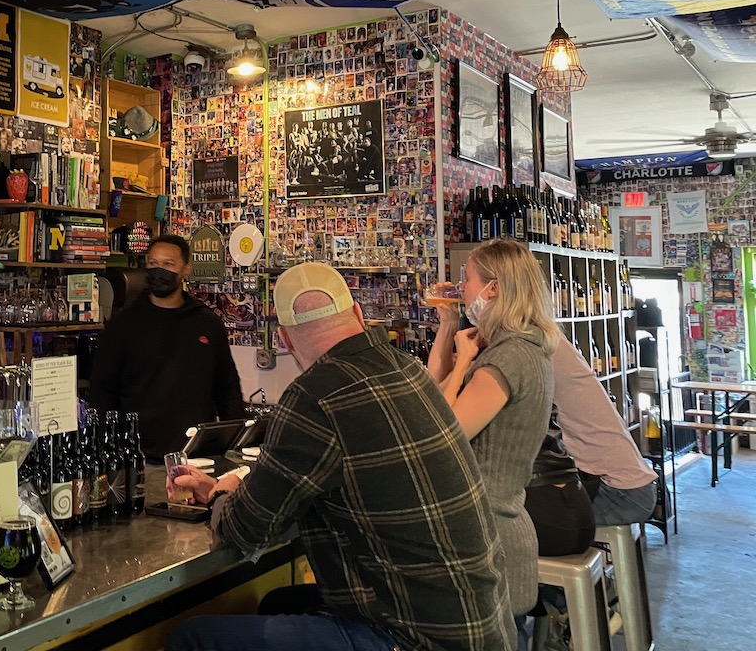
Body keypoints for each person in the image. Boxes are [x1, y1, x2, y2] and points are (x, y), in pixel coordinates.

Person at [168, 262, 515, 651]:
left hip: (410, 638)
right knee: (278, 603)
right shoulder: (407, 369)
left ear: (284, 338)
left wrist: (222, 492)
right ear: (357, 314)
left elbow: (246, 531)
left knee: (192, 638)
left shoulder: (314, 396)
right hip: (478, 625)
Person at [427, 239, 557, 624]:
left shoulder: (508, 357)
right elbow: (436, 390)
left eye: (467, 278)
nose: (461, 288)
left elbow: (444, 431)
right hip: (493, 534)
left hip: (489, 540)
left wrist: (463, 362)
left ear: (493, 288)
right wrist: (448, 326)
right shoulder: (519, 347)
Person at [89, 234, 244, 457]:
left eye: (168, 264)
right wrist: (109, 447)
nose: (159, 270)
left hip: (197, 455)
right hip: (139, 456)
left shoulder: (207, 323)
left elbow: (227, 388)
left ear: (185, 270)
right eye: (153, 263)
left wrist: (237, 443)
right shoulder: (123, 325)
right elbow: (102, 391)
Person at [551, 335, 658, 525]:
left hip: (617, 491)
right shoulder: (550, 340)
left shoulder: (532, 348)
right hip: (630, 486)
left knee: (522, 524)